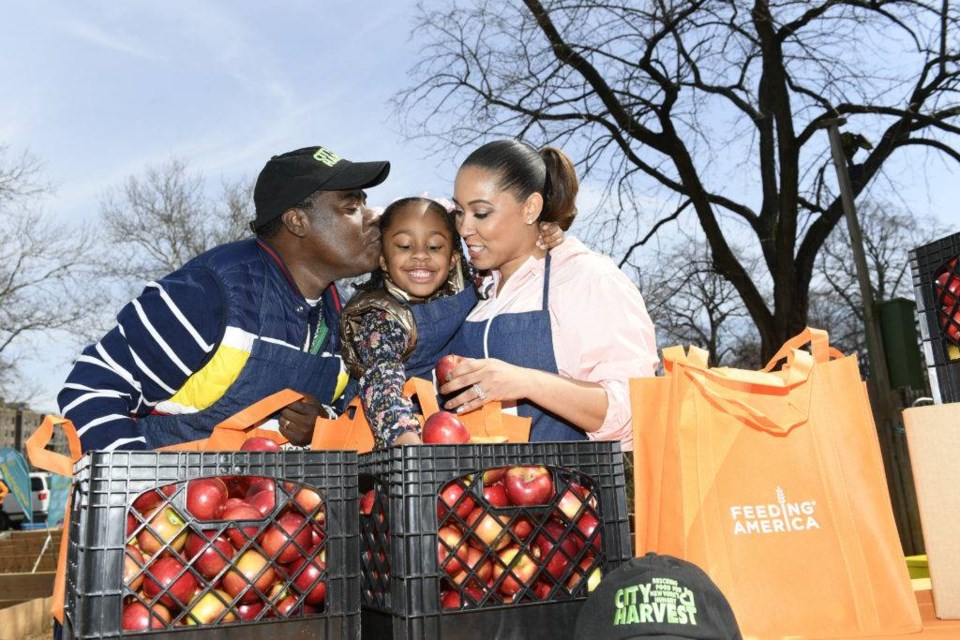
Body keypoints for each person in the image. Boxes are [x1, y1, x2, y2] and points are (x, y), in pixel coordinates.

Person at [57, 145, 390, 451]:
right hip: (167, 507)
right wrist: (141, 494)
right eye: (351, 206)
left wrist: (323, 427)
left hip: (274, 512)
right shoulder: (209, 293)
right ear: (297, 222)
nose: (373, 215)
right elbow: (93, 388)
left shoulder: (341, 316)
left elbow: (347, 420)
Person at [440, 139, 658, 449]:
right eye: (460, 212)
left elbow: (636, 410)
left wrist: (526, 382)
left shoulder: (586, 278)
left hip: (571, 493)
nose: (464, 228)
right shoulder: (476, 290)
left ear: (530, 208)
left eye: (481, 213)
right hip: (478, 494)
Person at [339, 196, 563, 448]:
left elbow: (507, 261)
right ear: (383, 261)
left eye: (434, 247)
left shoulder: (471, 289)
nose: (420, 255)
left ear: (454, 259)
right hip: (403, 445)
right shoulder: (382, 319)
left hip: (456, 438)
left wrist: (539, 237)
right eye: (404, 246)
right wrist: (405, 439)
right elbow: (381, 381)